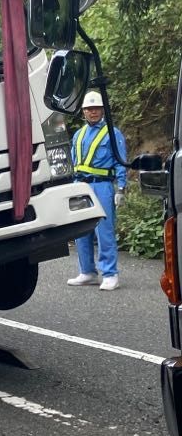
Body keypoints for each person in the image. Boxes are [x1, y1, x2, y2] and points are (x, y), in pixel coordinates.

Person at [67, 91, 128, 291]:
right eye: (88, 109)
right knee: (81, 229)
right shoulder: (78, 134)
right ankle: (88, 272)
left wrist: (121, 188)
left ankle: (110, 274)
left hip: (101, 185)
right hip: (79, 185)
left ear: (102, 110)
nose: (92, 112)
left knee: (104, 230)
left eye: (96, 108)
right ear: (83, 111)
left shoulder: (113, 133)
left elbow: (121, 162)